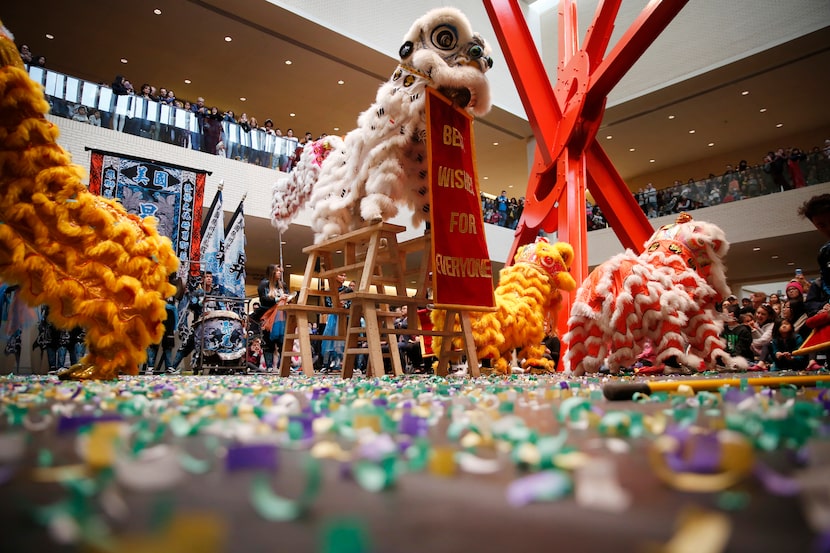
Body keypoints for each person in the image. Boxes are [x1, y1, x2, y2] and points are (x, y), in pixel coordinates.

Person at [252, 264, 288, 371]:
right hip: (267, 315)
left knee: (282, 342)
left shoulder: (283, 285)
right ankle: (269, 366)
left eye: (280, 271)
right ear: (272, 272)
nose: (279, 272)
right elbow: (263, 299)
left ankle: (283, 366)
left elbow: (288, 294)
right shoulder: (264, 284)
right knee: (268, 341)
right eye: (277, 271)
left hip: (281, 315)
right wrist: (277, 299)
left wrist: (287, 298)